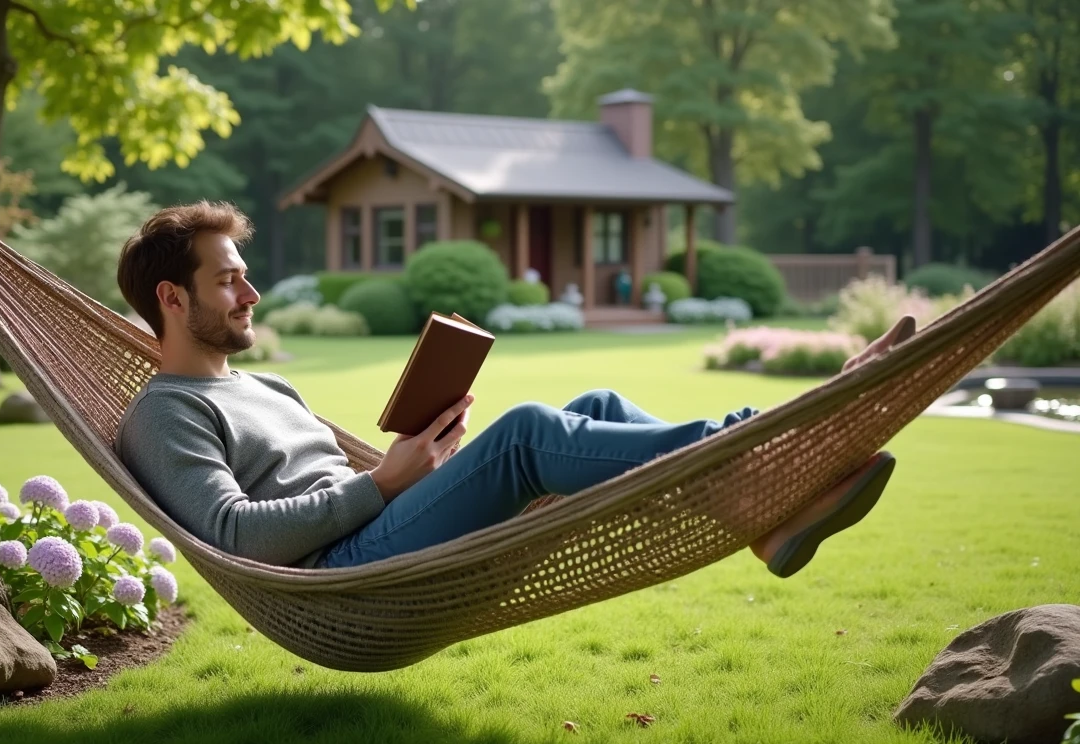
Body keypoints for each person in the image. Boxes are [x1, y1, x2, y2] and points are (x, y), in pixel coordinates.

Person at [114, 202, 915, 576]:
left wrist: (417, 461)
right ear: (172, 300)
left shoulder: (271, 387)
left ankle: (765, 522)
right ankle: (783, 435)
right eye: (228, 283)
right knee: (531, 433)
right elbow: (234, 536)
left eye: (247, 279)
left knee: (596, 406)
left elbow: (347, 476)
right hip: (339, 571)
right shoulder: (164, 413)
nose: (251, 295)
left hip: (380, 518)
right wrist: (384, 481)